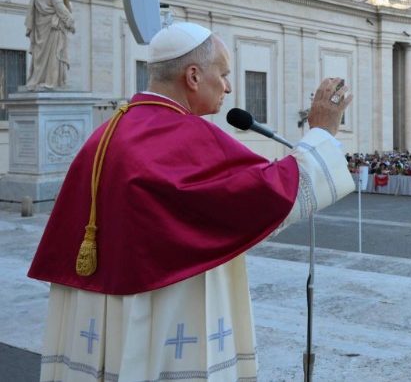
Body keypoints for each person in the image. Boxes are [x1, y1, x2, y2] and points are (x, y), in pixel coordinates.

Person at [28, 22, 356, 381]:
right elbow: (263, 195)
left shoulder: (107, 131)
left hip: (103, 312)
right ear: (194, 76)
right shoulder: (186, 134)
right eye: (224, 74)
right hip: (165, 307)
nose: (229, 87)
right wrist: (321, 133)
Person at [25, 0, 76, 90]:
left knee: (40, 54)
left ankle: (38, 79)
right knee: (55, 53)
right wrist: (70, 20)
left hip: (40, 26)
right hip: (53, 26)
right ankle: (51, 81)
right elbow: (58, 5)